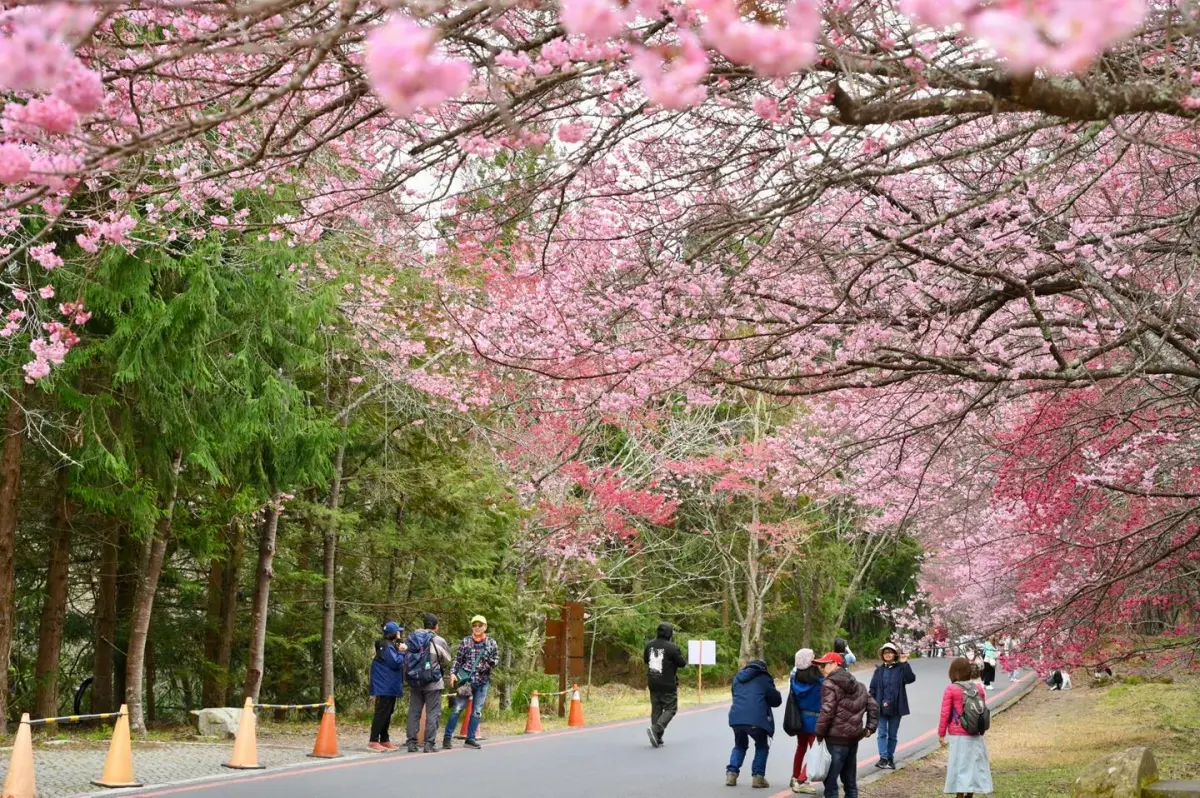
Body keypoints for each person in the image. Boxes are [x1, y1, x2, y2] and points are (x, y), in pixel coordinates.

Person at [815, 651, 877, 798]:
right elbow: (873, 706)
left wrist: (819, 733)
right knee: (849, 781)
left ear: (835, 664)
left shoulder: (829, 684)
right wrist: (869, 728)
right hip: (853, 739)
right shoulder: (859, 685)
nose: (821, 668)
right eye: (820, 666)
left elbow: (827, 711)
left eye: (824, 665)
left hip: (835, 739)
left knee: (830, 781)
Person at [938, 657, 993, 798]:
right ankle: (970, 794)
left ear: (953, 672)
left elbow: (945, 713)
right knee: (974, 765)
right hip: (975, 733)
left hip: (959, 735)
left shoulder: (951, 689)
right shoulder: (979, 688)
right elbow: (982, 710)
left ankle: (959, 795)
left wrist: (941, 733)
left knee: (960, 766)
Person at [444, 614, 499, 750]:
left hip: (483, 681)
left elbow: (496, 658)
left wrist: (491, 663)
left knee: (477, 711)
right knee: (457, 709)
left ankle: (470, 738)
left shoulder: (491, 643)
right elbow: (458, 659)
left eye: (480, 625)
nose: (477, 628)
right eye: (474, 625)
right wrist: (452, 673)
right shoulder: (466, 641)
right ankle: (447, 738)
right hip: (466, 681)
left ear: (485, 627)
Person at [725, 659, 782, 789]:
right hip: (757, 719)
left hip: (736, 718)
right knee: (762, 746)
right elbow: (775, 700)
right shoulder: (764, 678)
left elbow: (735, 695)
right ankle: (758, 777)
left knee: (739, 745)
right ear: (763, 668)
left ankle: (731, 774)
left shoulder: (737, 677)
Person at [404, 613, 452, 753]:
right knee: (433, 713)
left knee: (414, 712)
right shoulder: (439, 640)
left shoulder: (412, 638)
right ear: (436, 627)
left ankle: (411, 743)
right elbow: (447, 659)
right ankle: (429, 744)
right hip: (433, 682)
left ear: (424, 624)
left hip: (415, 680)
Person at [868, 642, 916, 770]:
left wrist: (905, 663)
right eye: (885, 652)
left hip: (897, 706)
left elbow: (911, 679)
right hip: (881, 706)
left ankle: (890, 757)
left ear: (894, 654)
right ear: (882, 655)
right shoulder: (879, 670)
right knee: (882, 733)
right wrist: (870, 703)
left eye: (890, 652)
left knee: (892, 734)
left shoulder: (901, 668)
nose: (887, 654)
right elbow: (872, 688)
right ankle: (883, 758)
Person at [644, 622, 687, 748]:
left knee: (656, 708)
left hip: (653, 681)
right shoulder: (672, 647)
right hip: (668, 683)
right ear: (670, 634)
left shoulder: (649, 645)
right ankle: (656, 729)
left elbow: (646, 660)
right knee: (671, 708)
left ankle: (657, 737)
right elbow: (682, 663)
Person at [788, 648, 823, 793]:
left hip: (799, 719)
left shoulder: (794, 679)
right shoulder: (819, 681)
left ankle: (795, 776)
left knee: (800, 748)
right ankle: (802, 780)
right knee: (816, 751)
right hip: (815, 719)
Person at [369, 621, 407, 751]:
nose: (400, 633)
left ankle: (384, 739)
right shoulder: (386, 647)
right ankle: (373, 740)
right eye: (398, 631)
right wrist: (402, 652)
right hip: (385, 685)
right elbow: (395, 663)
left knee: (387, 712)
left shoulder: (388, 646)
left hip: (389, 685)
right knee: (382, 712)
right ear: (394, 633)